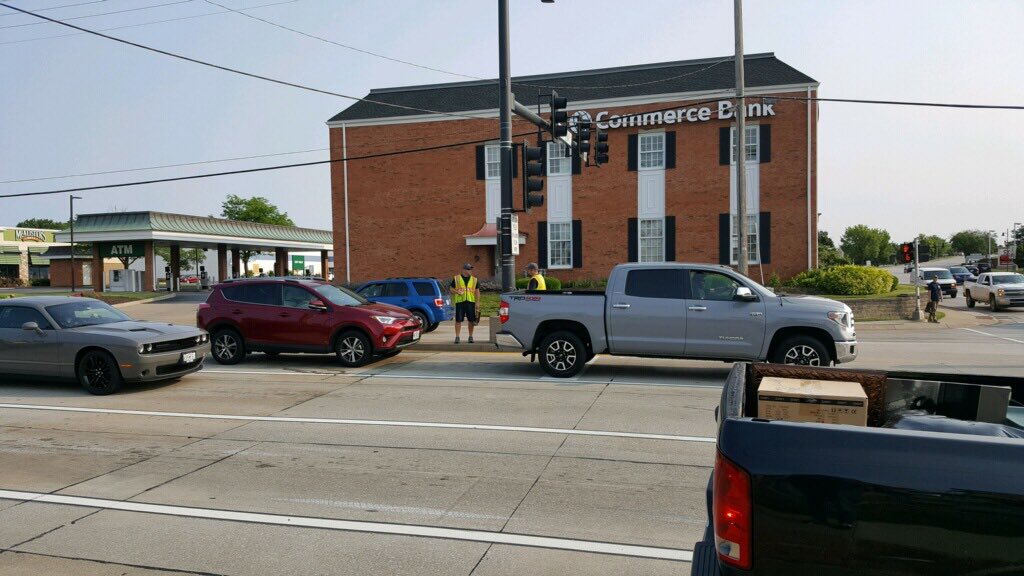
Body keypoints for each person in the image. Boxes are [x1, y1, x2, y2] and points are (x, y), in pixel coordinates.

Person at [450, 263, 480, 344]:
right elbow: (451, 289)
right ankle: (457, 337)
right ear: (463, 270)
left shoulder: (474, 279)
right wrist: (457, 291)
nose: (470, 270)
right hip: (460, 302)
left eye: (470, 269)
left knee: (471, 320)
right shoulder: (456, 278)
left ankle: (470, 336)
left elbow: (477, 292)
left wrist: (477, 302)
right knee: (458, 320)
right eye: (468, 269)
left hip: (470, 302)